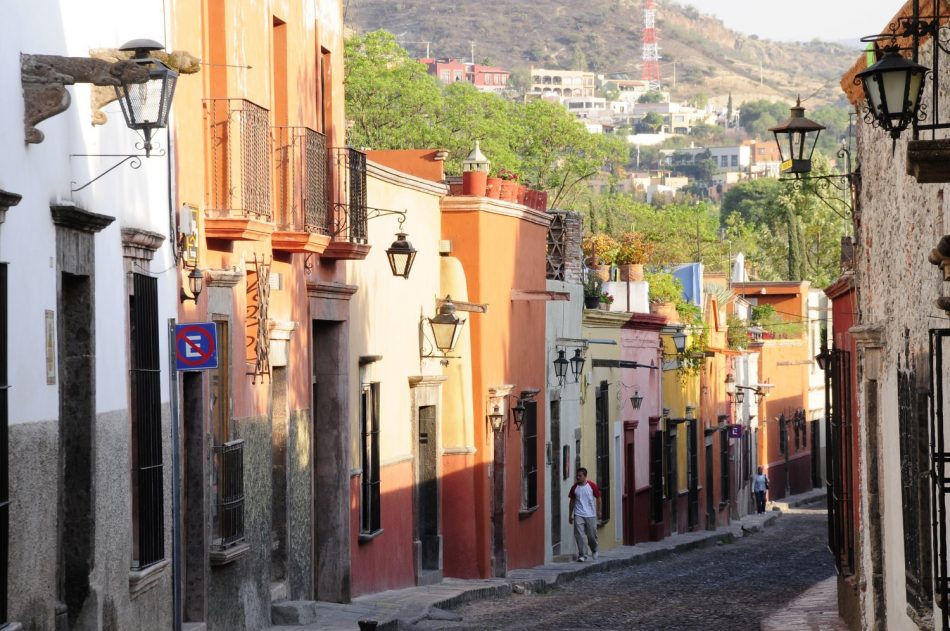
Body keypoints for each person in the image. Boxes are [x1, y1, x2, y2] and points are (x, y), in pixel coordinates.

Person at [568, 467, 602, 562]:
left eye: (580, 476)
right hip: (578, 514)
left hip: (590, 514)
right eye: (577, 476)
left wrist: (599, 511)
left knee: (591, 535)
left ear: (585, 476)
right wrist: (570, 515)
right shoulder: (574, 488)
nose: (577, 477)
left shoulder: (592, 486)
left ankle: (594, 550)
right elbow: (572, 502)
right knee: (579, 535)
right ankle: (582, 554)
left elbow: (598, 497)